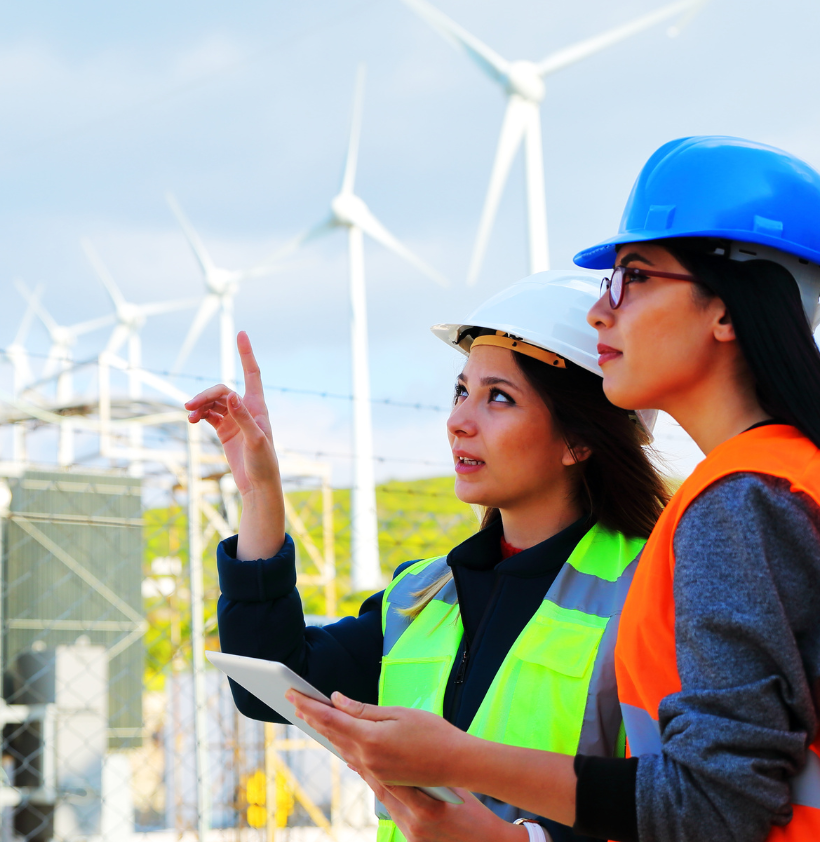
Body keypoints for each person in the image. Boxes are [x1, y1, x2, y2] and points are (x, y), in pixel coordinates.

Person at [291, 136, 820, 842]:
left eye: (634, 276)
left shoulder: (745, 503)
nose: (602, 312)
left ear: (727, 311)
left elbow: (716, 805)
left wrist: (460, 760)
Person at [185, 270, 671, 842]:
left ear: (579, 440)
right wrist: (260, 497)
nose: (458, 421)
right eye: (462, 391)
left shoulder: (655, 591)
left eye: (499, 398)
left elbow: (685, 807)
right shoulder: (420, 596)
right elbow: (270, 686)